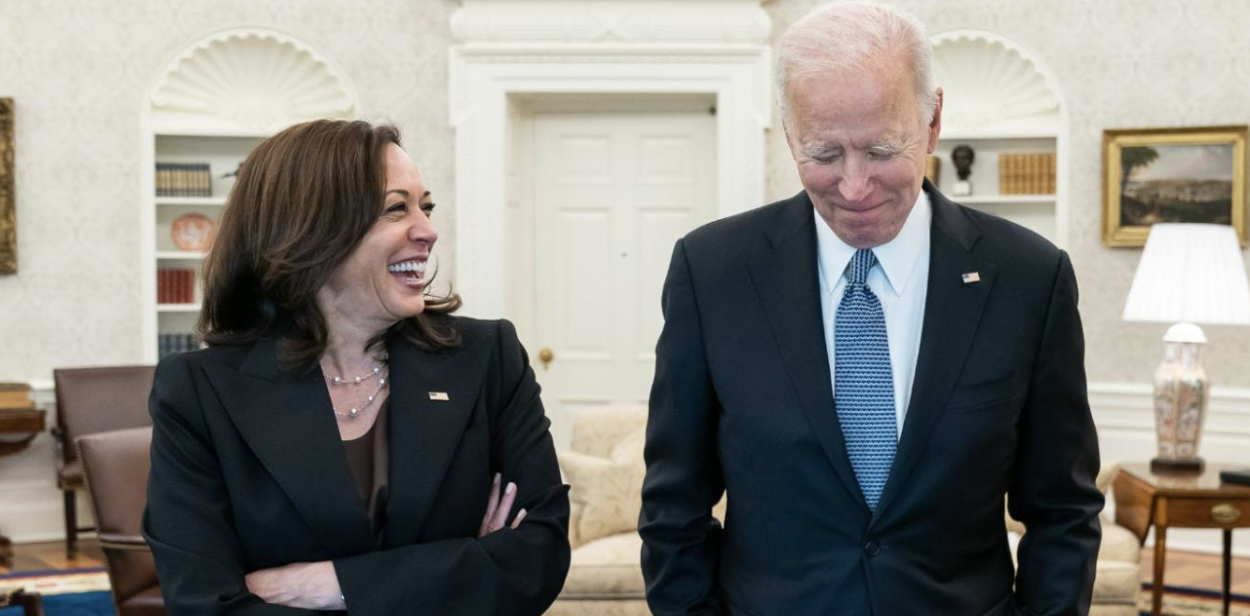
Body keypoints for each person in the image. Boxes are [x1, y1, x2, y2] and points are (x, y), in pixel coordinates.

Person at [639, 2, 1102, 615]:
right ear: (789, 133)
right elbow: (674, 506)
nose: (854, 187)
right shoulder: (712, 272)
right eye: (824, 154)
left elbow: (1063, 510)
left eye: (882, 151)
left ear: (933, 122)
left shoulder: (1029, 277)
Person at [143, 119, 570, 615]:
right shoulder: (197, 391)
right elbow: (204, 603)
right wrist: (462, 570)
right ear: (311, 230)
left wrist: (333, 585)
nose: (428, 231)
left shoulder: (489, 356)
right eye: (396, 209)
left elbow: (536, 558)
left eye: (426, 207)